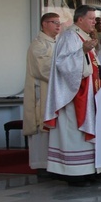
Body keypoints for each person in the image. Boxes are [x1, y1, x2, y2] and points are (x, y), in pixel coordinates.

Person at [44, 5, 101, 186]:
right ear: (80, 19)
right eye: (91, 18)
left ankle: (91, 171)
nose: (95, 21)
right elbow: (63, 64)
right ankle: (75, 173)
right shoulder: (69, 36)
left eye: (95, 18)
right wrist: (82, 51)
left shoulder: (84, 37)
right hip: (73, 96)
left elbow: (92, 66)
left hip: (88, 92)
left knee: (88, 133)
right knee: (74, 134)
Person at [24, 13, 60, 174]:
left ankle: (55, 164)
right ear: (45, 24)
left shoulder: (57, 43)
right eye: (55, 22)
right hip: (42, 93)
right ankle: (42, 166)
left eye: (59, 23)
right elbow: (42, 68)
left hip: (55, 93)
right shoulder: (37, 45)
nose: (58, 26)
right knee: (42, 127)